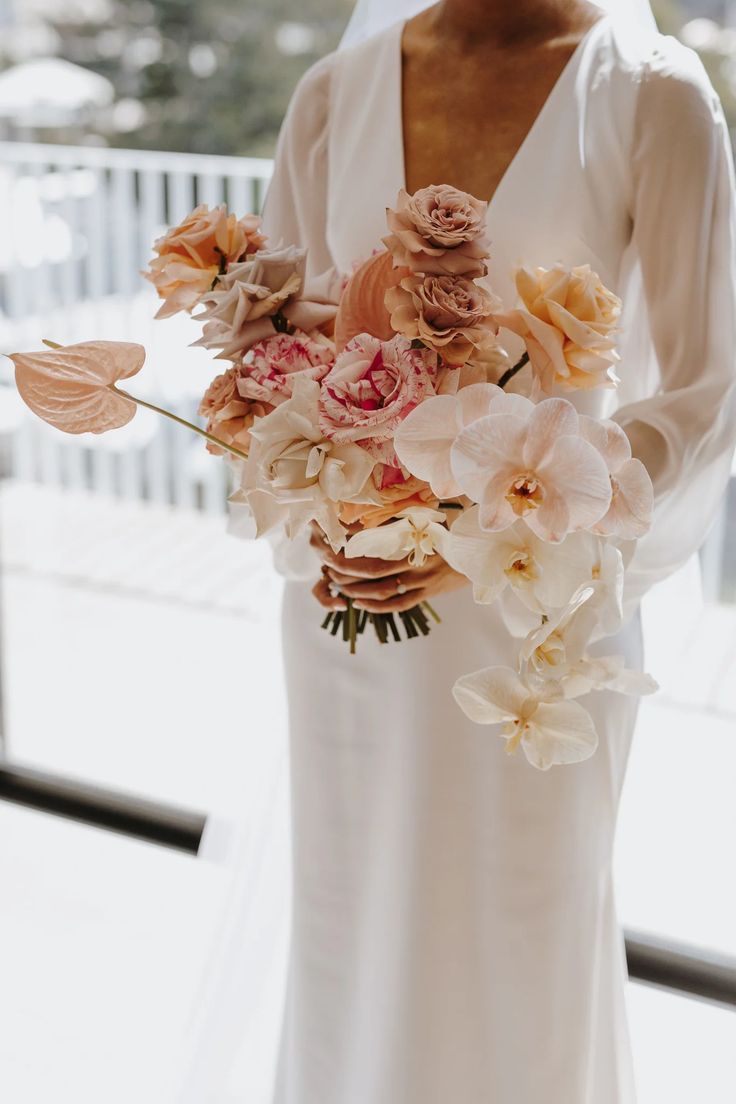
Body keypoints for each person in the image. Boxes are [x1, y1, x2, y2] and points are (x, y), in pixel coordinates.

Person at [258, 2, 736, 1101]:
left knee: (524, 936)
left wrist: (499, 525)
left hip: (540, 614)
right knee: (351, 919)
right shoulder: (333, 94)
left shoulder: (650, 93)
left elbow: (705, 392)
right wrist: (329, 509)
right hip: (356, 599)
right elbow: (279, 348)